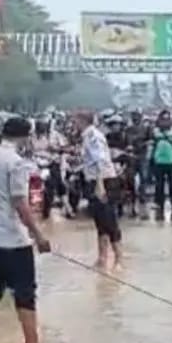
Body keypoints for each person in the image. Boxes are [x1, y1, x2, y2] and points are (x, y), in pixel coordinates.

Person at [0, 117, 52, 343]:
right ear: (25, 137)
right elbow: (20, 201)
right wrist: (38, 235)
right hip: (12, 239)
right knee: (25, 291)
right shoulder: (17, 163)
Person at [76, 109, 122, 269]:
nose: (74, 124)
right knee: (99, 221)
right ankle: (102, 257)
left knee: (109, 220)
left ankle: (119, 259)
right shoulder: (86, 136)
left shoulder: (93, 136)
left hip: (103, 180)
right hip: (93, 180)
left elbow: (100, 161)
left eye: (76, 120)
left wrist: (100, 185)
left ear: (82, 120)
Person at [149, 110, 172, 219]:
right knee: (159, 184)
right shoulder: (154, 131)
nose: (165, 121)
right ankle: (158, 202)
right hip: (158, 160)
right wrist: (150, 158)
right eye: (163, 118)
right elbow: (151, 145)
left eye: (167, 118)